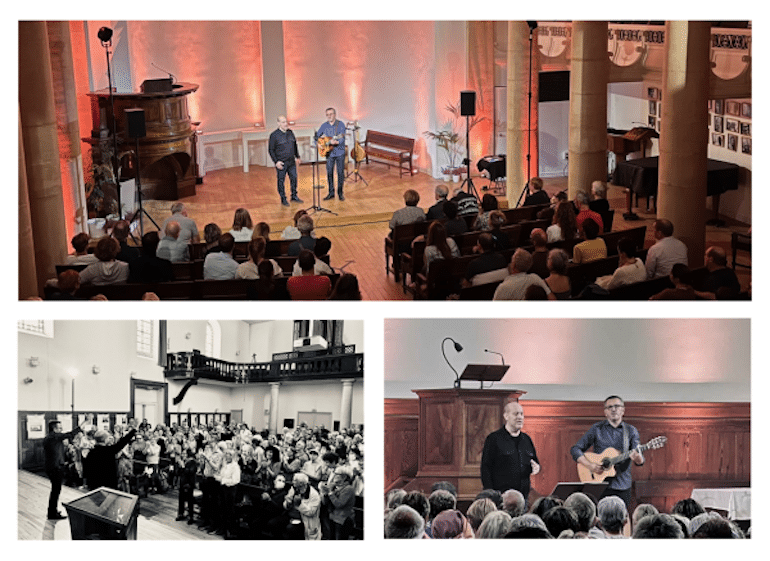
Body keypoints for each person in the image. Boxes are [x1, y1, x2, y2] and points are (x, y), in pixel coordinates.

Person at [570, 395, 644, 508]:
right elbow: (575, 450)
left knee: (620, 519)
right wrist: (590, 466)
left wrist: (638, 458)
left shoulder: (631, 431)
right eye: (609, 407)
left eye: (617, 406)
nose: (613, 409)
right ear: (605, 412)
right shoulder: (596, 429)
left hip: (622, 485)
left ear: (623, 410)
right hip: (599, 485)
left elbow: (639, 459)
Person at [480, 401, 541, 502]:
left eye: (522, 414)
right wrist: (490, 494)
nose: (520, 417)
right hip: (501, 497)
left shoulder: (527, 440)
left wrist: (536, 467)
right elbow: (486, 468)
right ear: (506, 416)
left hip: (523, 498)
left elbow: (535, 462)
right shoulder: (494, 439)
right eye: (515, 414)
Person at [44, 419, 83, 519]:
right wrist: (85, 422)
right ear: (54, 429)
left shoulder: (52, 438)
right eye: (60, 428)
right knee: (55, 491)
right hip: (55, 468)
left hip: (55, 467)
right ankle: (52, 513)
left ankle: (52, 511)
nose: (61, 430)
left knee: (56, 490)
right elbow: (70, 434)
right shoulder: (53, 437)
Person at [268, 115, 302, 206]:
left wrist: (297, 156)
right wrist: (276, 162)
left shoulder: (290, 132)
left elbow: (295, 145)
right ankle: (283, 198)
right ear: (278, 123)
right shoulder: (274, 135)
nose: (285, 124)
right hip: (281, 163)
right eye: (283, 122)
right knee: (281, 181)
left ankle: (294, 196)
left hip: (291, 162)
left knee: (294, 178)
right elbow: (271, 150)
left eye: (286, 122)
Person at [318, 107, 346, 201]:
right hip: (329, 153)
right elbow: (316, 137)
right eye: (327, 115)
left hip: (340, 153)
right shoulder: (324, 126)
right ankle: (331, 193)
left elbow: (342, 137)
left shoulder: (340, 124)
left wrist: (337, 142)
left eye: (331, 114)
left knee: (340, 173)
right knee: (329, 173)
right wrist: (319, 144)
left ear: (335, 114)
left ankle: (340, 193)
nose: (329, 116)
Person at [283, 472, 322, 539]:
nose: (292, 482)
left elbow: (311, 512)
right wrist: (287, 503)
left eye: (295, 481)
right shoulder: (293, 489)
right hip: (290, 516)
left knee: (290, 529)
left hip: (305, 521)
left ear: (301, 484)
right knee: (275, 523)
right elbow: (286, 503)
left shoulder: (314, 495)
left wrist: (300, 504)